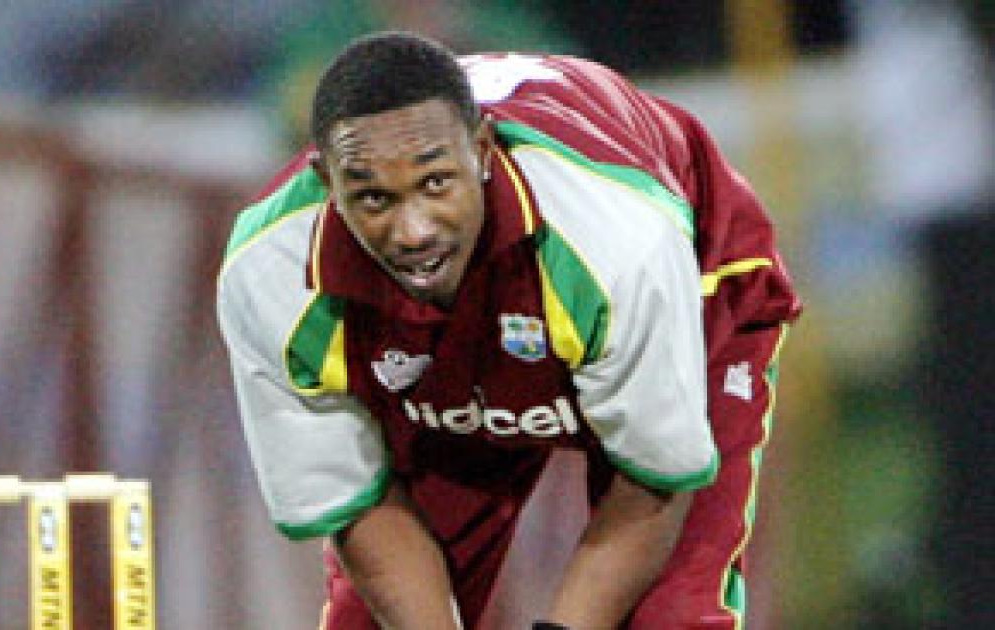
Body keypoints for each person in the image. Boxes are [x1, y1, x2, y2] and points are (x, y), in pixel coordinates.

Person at [217, 31, 800, 629]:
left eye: (436, 183)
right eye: (373, 199)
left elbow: (655, 482)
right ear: (327, 183)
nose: (414, 232)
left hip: (693, 287)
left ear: (483, 150)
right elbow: (360, 510)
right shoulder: (269, 276)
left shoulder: (619, 246)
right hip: (480, 352)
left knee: (673, 616)